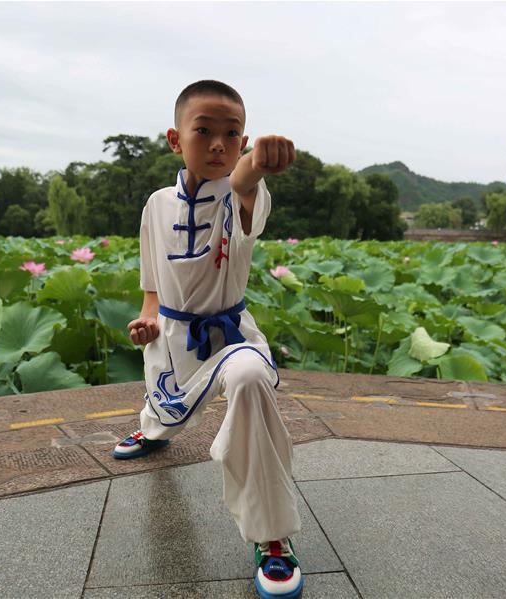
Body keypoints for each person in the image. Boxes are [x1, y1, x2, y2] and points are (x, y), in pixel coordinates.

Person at [117, 80, 303, 599]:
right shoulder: (155, 204)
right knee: (162, 401)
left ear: (244, 143)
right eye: (205, 131)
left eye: (233, 133)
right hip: (174, 333)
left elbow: (243, 180)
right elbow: (151, 279)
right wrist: (148, 318)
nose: (220, 143)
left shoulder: (242, 194)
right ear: (176, 139)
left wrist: (259, 164)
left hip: (231, 333)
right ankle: (152, 431)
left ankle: (271, 536)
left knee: (247, 380)